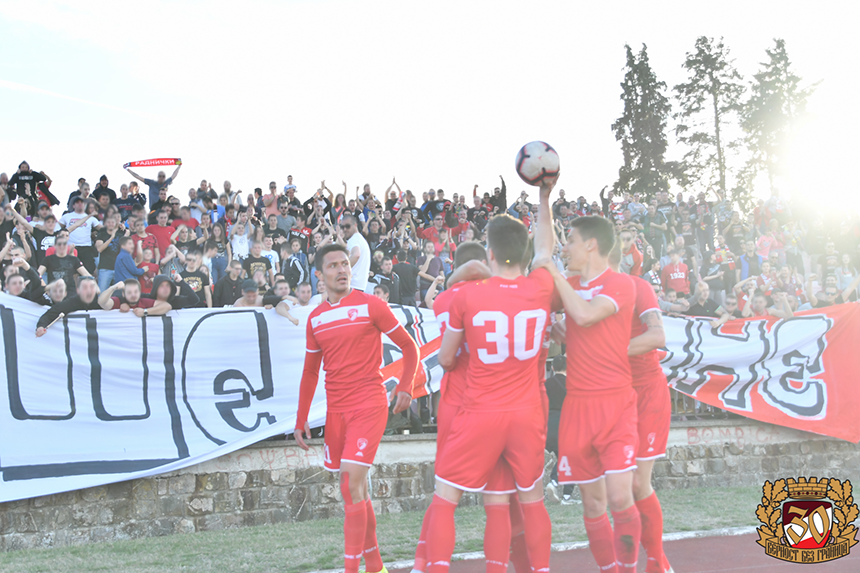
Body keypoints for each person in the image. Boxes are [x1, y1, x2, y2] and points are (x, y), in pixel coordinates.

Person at [427, 181, 558, 573]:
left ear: (490, 252)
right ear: (523, 252)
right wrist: (544, 199)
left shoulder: (469, 296)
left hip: (480, 410)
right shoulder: (542, 286)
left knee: (445, 497)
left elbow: (447, 359)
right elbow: (546, 250)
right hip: (526, 412)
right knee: (531, 498)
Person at [293, 243, 419, 573]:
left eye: (345, 264)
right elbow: (309, 372)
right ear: (319, 275)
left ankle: (352, 569)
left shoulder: (371, 305)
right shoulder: (316, 319)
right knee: (356, 490)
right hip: (337, 411)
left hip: (369, 403)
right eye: (333, 265)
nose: (342, 269)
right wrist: (300, 418)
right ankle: (376, 567)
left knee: (350, 484)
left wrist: (405, 386)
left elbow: (410, 347)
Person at [537, 215, 642, 573]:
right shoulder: (566, 282)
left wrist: (553, 275)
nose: (564, 248)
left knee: (619, 496)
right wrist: (544, 200)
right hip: (577, 407)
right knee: (593, 505)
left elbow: (583, 315)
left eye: (570, 242)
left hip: (615, 404)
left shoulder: (621, 284)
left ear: (590, 245)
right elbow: (547, 302)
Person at [35, 276, 101, 337]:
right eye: (85, 288)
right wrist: (41, 327)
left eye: (91, 287)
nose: (88, 291)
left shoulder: (103, 302)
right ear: (78, 291)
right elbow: (49, 315)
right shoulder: (72, 302)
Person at [59, 197, 100, 273]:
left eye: (82, 202)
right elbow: (56, 228)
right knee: (72, 272)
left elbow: (103, 229)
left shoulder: (91, 218)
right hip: (71, 247)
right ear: (73, 205)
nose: (80, 204)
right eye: (78, 202)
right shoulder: (67, 216)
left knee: (89, 271)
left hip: (86, 248)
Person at [335, 213, 370, 292]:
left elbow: (356, 254)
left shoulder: (354, 239)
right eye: (342, 227)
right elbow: (346, 248)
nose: (345, 229)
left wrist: (342, 270)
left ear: (355, 225)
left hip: (352, 285)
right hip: (359, 286)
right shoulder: (359, 239)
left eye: (347, 226)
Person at [97, 279, 171, 316]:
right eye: (129, 292)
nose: (133, 295)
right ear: (123, 294)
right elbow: (102, 302)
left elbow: (167, 306)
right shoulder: (118, 301)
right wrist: (113, 287)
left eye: (136, 292)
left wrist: (145, 312)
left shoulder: (143, 301)